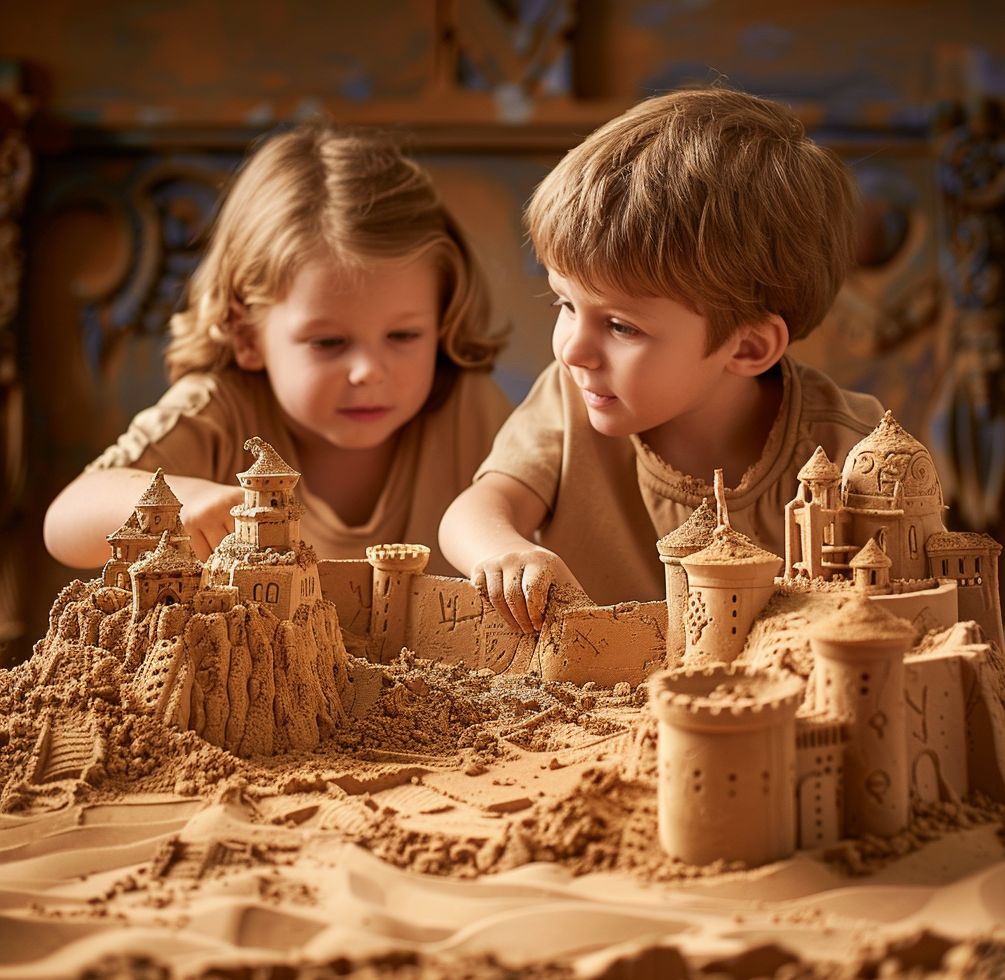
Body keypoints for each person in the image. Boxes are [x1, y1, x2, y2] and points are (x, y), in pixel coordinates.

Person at [439, 88, 884, 632]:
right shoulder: (569, 402)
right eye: (565, 304)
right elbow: (476, 509)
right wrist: (503, 550)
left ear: (747, 347)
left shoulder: (855, 452)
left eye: (621, 326)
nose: (572, 350)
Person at [44, 125, 511, 576]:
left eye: (404, 336)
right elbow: (65, 520)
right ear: (247, 335)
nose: (368, 370)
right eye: (328, 342)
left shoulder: (471, 413)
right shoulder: (217, 412)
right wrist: (181, 503)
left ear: (442, 316)